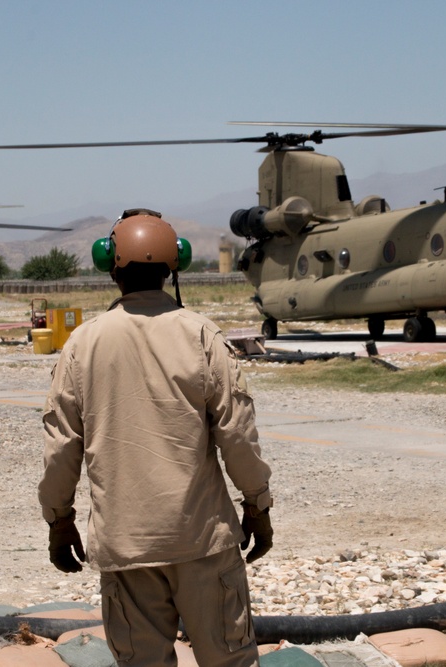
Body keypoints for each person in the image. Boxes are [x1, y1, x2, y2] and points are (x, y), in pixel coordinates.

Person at [39, 209, 272, 667]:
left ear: (109, 264)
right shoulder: (202, 335)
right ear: (175, 265)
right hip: (204, 542)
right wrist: (257, 505)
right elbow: (238, 436)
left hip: (127, 550)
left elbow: (61, 447)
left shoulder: (82, 345)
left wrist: (58, 520)